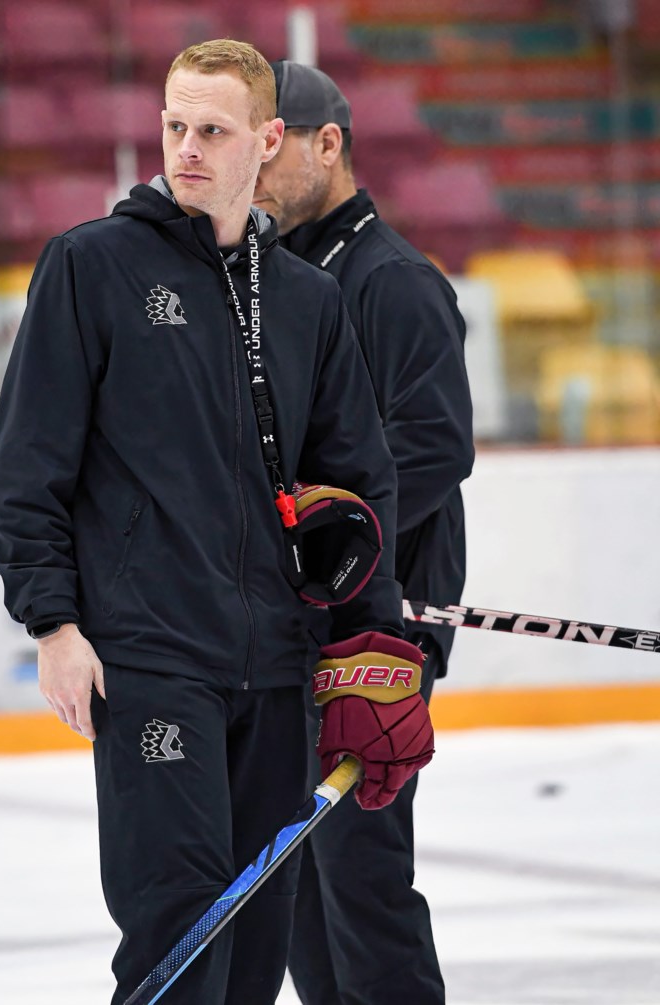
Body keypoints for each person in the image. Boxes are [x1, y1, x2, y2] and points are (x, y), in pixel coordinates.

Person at [0, 40, 434, 1005]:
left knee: (259, 943)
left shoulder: (310, 301)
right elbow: (28, 466)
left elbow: (360, 486)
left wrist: (373, 642)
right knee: (180, 930)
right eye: (174, 127)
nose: (186, 148)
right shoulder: (90, 268)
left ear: (266, 140)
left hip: (276, 669)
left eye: (213, 131)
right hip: (152, 660)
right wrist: (52, 626)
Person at [254, 61, 476, 1005]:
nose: (253, 176)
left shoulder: (391, 283)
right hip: (305, 624)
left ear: (328, 145)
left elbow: (436, 445)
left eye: (272, 153)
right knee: (300, 883)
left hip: (375, 630)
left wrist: (327, 535)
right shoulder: (289, 282)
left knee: (362, 881)